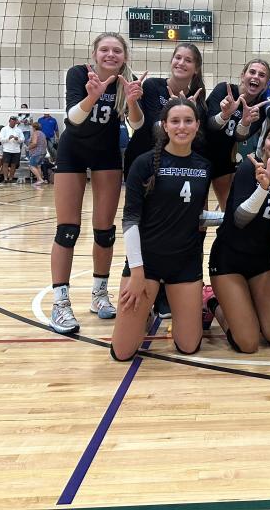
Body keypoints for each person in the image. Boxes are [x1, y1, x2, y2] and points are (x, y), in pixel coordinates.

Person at [50, 32, 144, 335]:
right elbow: (73, 119)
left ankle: (99, 294)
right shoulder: (79, 74)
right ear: (95, 54)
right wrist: (92, 95)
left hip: (106, 155)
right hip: (73, 152)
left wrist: (132, 101)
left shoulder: (125, 81)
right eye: (104, 49)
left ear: (125, 57)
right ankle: (60, 304)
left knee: (105, 232)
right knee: (67, 230)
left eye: (117, 51)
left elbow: (138, 125)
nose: (110, 55)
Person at [111, 97, 211, 360]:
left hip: (185, 263)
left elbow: (200, 216)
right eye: (175, 121)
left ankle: (195, 305)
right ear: (164, 126)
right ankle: (147, 310)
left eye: (188, 121)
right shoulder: (144, 163)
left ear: (197, 125)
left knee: (188, 346)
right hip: (146, 263)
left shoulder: (204, 166)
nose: (182, 127)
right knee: (122, 353)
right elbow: (130, 220)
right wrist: (136, 271)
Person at [206, 122, 270, 353]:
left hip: (261, 263)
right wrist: (263, 188)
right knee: (248, 343)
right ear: (263, 143)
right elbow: (240, 220)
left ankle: (247, 306)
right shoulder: (248, 168)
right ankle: (215, 305)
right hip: (229, 260)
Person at [124, 42, 206, 182]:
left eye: (188, 60)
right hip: (142, 158)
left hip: (175, 166)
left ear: (196, 69)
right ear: (172, 61)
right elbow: (153, 128)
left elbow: (196, 140)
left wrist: (188, 111)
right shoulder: (153, 86)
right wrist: (173, 111)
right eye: (178, 57)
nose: (181, 63)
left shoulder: (197, 100)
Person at [205, 59, 270, 211]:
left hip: (223, 160)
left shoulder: (259, 108)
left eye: (262, 75)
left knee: (228, 210)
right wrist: (224, 114)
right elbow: (209, 125)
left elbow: (240, 138)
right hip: (201, 154)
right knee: (198, 214)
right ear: (243, 76)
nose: (256, 77)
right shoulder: (224, 90)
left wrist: (245, 122)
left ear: (265, 84)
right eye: (252, 72)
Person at [0, 117, 25, 184]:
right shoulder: (4, 129)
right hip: (7, 149)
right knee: (5, 164)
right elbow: (0, 139)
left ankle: (11, 178)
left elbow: (22, 139)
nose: (13, 123)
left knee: (14, 165)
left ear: (16, 122)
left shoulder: (19, 130)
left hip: (16, 150)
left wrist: (17, 139)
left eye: (14, 122)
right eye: (12, 121)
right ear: (9, 121)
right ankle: (5, 178)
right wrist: (8, 138)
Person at [28, 121, 48, 186]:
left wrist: (28, 147)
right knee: (38, 166)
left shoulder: (35, 133)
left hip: (36, 153)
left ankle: (40, 179)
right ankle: (39, 180)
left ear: (34, 127)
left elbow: (34, 143)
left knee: (31, 166)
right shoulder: (42, 133)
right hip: (43, 152)